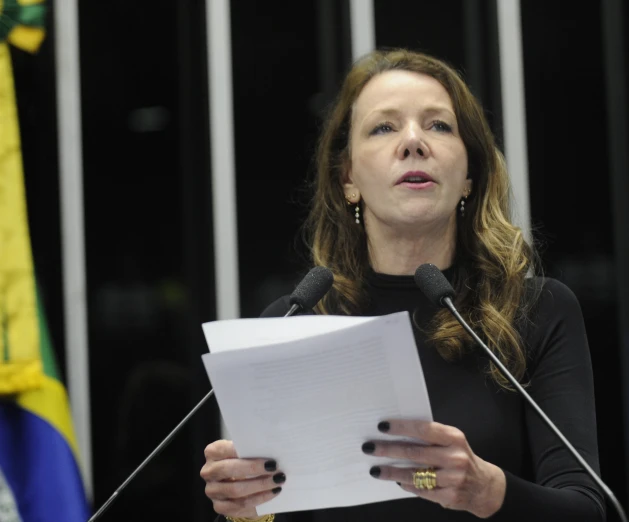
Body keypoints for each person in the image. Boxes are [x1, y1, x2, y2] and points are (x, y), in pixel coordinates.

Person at [200, 48, 606, 522]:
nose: (413, 142)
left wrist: (487, 490)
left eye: (438, 126)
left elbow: (587, 510)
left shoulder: (537, 310)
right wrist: (246, 510)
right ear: (348, 177)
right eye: (384, 127)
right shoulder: (294, 324)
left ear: (469, 175)